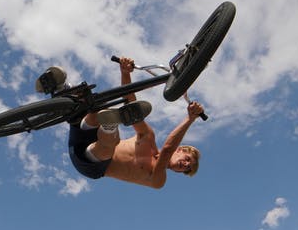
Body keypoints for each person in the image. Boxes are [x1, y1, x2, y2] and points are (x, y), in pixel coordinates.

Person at [39, 57, 202, 189]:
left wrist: (190, 119)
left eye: (186, 169)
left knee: (111, 143)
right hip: (89, 134)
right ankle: (62, 89)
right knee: (92, 106)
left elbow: (167, 150)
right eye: (188, 159)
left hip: (93, 164)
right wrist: (125, 72)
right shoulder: (147, 137)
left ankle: (110, 125)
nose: (185, 165)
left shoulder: (158, 179)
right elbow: (129, 101)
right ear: (180, 150)